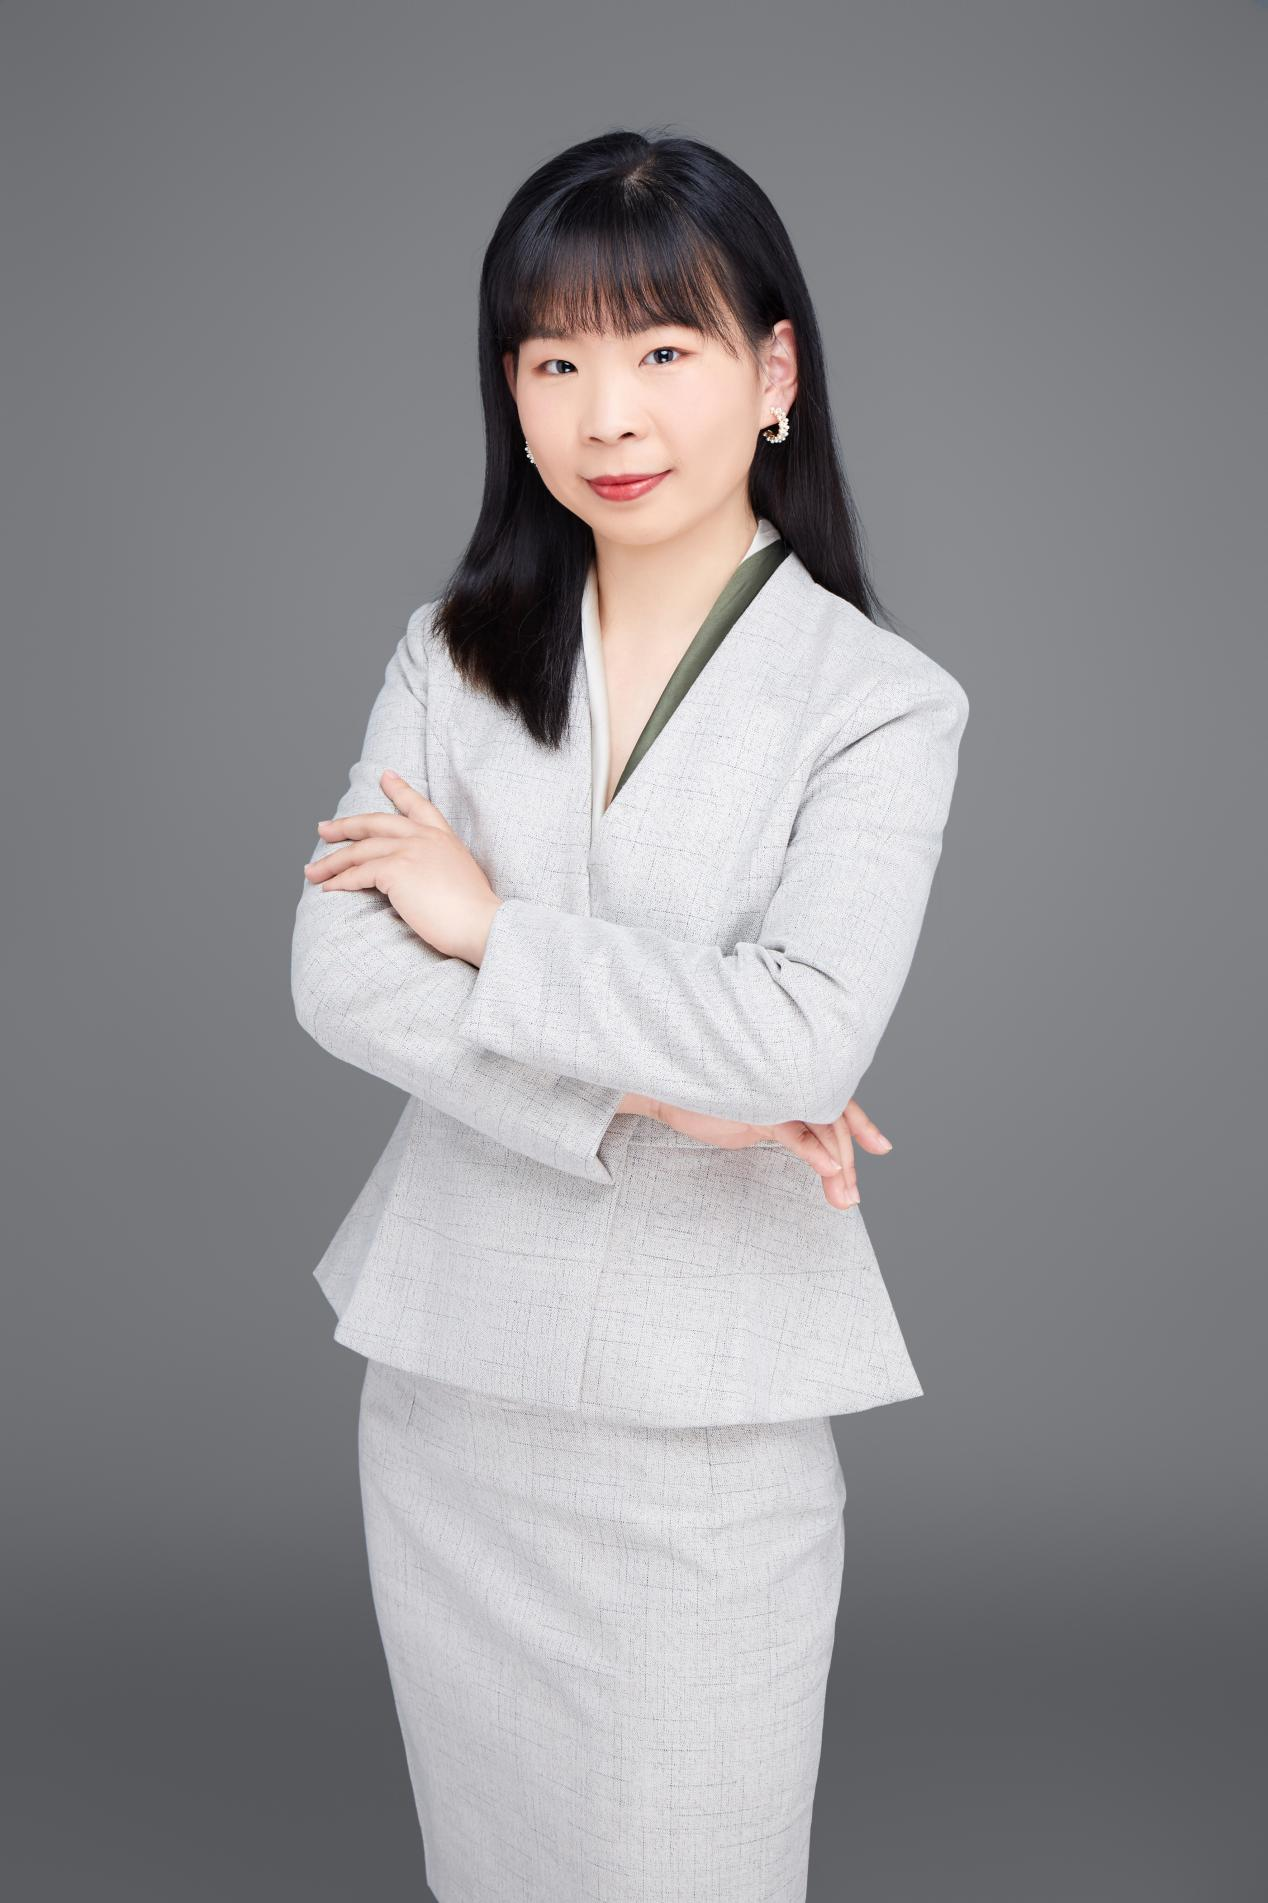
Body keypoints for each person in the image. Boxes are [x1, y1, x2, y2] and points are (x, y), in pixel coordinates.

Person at [290, 126, 970, 1903]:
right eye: (555, 361)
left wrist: (488, 928)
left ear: (773, 372)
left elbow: (802, 1040)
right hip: (448, 1388)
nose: (610, 413)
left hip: (706, 1417)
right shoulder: (449, 653)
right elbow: (338, 974)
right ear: (510, 397)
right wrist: (657, 1097)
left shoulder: (879, 702)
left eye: (665, 349)